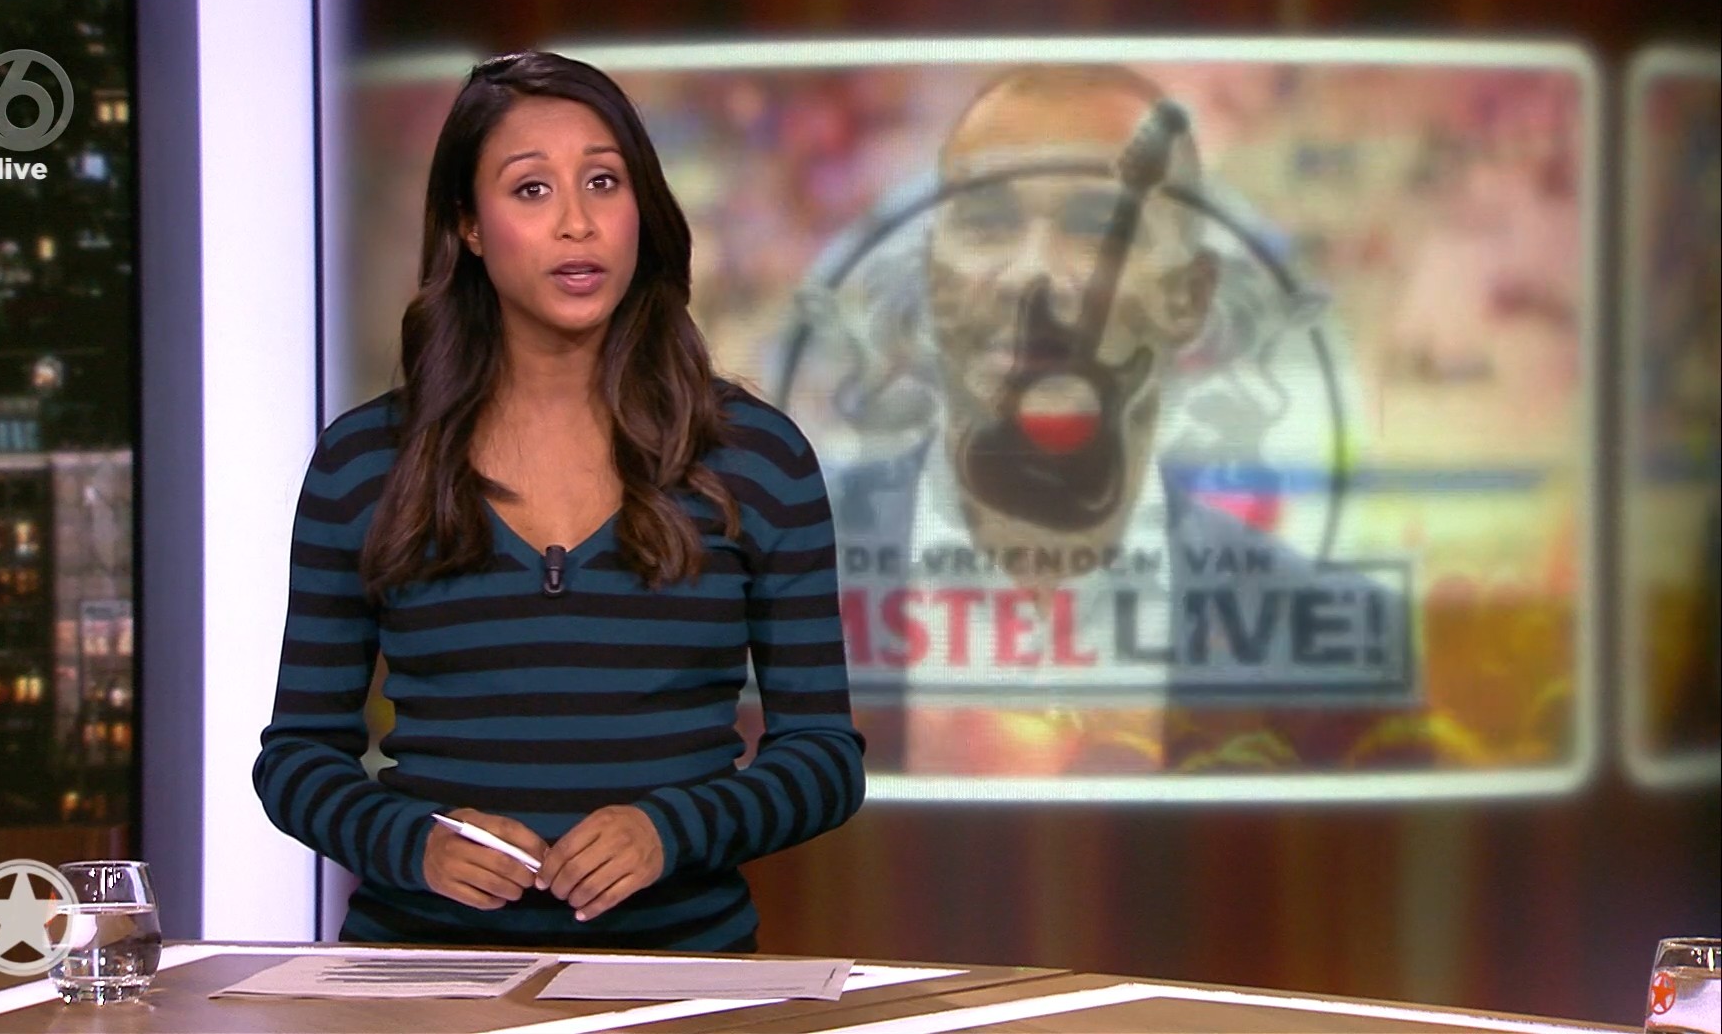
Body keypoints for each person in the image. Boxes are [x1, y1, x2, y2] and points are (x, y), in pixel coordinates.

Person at [252, 51, 865, 952]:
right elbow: (297, 758)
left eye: (604, 183)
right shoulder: (366, 464)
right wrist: (413, 843)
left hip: (679, 980)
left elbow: (824, 760)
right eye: (531, 190)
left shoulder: (755, 459)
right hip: (426, 977)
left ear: (643, 210)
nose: (577, 223)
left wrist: (672, 831)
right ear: (469, 225)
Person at [815, 64, 1415, 776]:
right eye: (987, 223)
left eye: (1101, 227)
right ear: (931, 275)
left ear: (1189, 296)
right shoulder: (739, 592)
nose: (1031, 273)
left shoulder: (1347, 649)